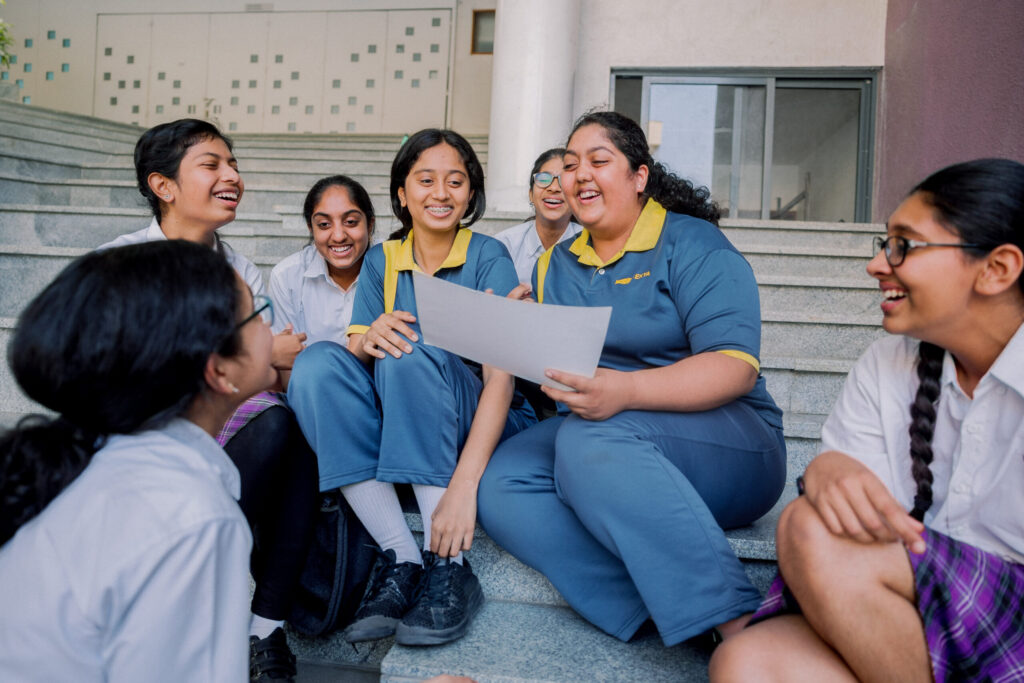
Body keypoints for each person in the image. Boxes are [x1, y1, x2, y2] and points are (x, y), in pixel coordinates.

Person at [477, 111, 786, 648]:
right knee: (503, 480)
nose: (580, 175)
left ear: (640, 176)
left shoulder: (694, 245)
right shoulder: (556, 265)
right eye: (570, 165)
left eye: (599, 160)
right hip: (606, 435)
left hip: (730, 441)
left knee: (590, 436)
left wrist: (626, 391)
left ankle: (736, 622)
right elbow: (561, 366)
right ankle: (650, 603)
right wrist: (506, 332)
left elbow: (734, 366)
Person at [709, 158, 1024, 682]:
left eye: (904, 244)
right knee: (746, 663)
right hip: (913, 609)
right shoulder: (887, 364)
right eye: (882, 242)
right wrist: (831, 471)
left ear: (996, 269)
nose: (878, 264)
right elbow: (855, 529)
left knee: (806, 529)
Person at [287, 128, 537, 646]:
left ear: (471, 194)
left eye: (455, 181)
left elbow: (500, 380)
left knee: (410, 349)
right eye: (425, 179)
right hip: (405, 417)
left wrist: (465, 486)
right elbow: (355, 355)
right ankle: (401, 555)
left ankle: (449, 564)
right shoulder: (382, 259)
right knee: (317, 364)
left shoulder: (487, 255)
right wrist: (368, 336)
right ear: (402, 193)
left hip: (484, 418)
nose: (440, 193)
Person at [0, 240, 276, 681]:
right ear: (218, 369)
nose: (270, 327)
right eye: (258, 314)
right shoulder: (192, 516)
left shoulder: (93, 464)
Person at [100, 119, 315, 681]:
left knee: (290, 432)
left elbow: (274, 366)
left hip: (226, 422)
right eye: (212, 164)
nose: (232, 176)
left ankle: (264, 627)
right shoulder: (120, 263)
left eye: (233, 163)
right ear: (163, 185)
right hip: (147, 438)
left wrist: (265, 361)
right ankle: (176, 592)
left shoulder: (239, 268)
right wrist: (257, 358)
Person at [269, 175, 374, 346]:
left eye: (350, 222)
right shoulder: (286, 276)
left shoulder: (392, 267)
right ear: (311, 228)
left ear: (369, 224)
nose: (339, 236)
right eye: (324, 224)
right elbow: (285, 358)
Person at [493, 147, 582, 285]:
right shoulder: (504, 245)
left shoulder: (593, 244)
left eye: (563, 180)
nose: (553, 188)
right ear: (531, 194)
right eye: (543, 179)